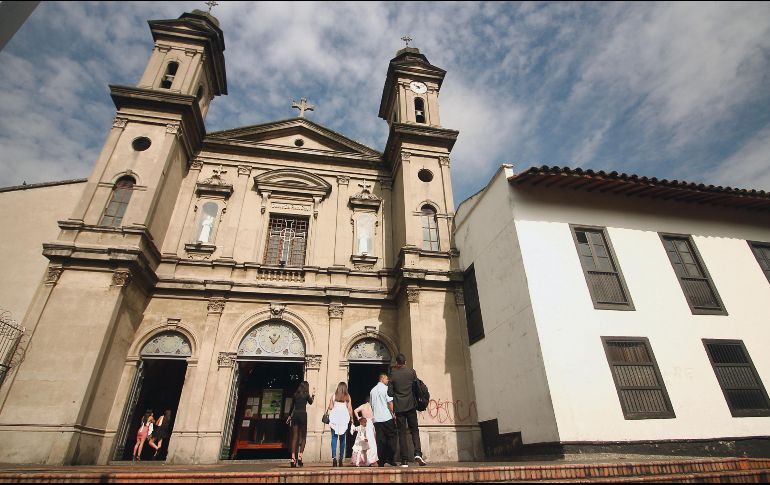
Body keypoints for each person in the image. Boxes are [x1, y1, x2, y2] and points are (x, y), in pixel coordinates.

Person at [388, 353, 427, 467]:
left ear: (396, 363)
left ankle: (404, 460)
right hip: (411, 406)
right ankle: (418, 453)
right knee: (414, 430)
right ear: (405, 362)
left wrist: (396, 392)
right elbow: (416, 389)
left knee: (402, 433)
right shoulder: (411, 372)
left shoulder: (393, 374)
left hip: (399, 408)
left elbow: (389, 393)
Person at [369, 372, 397, 467]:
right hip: (387, 417)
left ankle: (381, 461)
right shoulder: (386, 389)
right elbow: (390, 403)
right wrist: (394, 413)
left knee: (380, 440)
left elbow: (371, 405)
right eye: (386, 379)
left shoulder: (372, 391)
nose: (388, 381)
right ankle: (390, 458)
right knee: (391, 438)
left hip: (377, 419)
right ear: (382, 379)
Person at [286, 381, 315, 468]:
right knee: (303, 437)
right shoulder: (306, 395)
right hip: (303, 415)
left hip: (295, 414)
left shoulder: (295, 394)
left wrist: (289, 416)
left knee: (294, 437)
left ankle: (292, 459)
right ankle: (300, 457)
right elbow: (311, 402)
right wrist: (313, 395)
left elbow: (292, 407)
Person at [327, 382, 354, 467]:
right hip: (343, 418)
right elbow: (350, 409)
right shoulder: (347, 396)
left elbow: (330, 407)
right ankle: (341, 459)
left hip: (334, 417)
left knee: (334, 438)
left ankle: (334, 458)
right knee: (343, 439)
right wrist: (352, 419)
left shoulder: (334, 396)